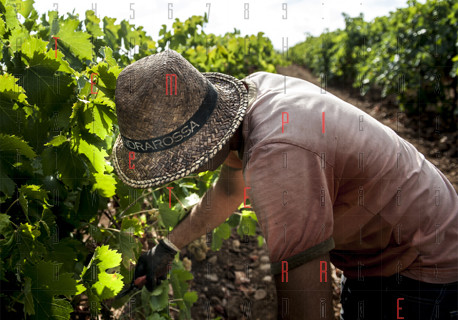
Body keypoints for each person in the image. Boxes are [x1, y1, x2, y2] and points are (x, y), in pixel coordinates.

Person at [111, 49, 458, 319]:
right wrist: (167, 247)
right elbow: (231, 190)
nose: (181, 173)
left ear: (202, 144)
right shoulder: (252, 98)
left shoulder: (277, 158)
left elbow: (307, 299)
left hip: (422, 260)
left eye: (177, 164)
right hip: (386, 243)